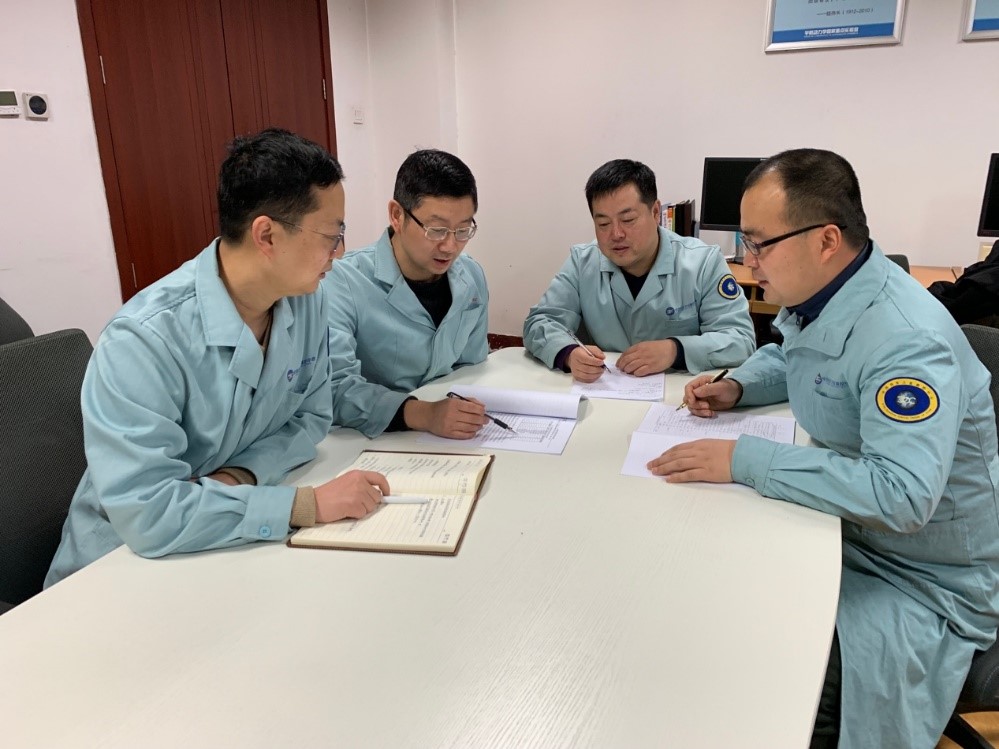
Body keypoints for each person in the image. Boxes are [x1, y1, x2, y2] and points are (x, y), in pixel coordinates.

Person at [648, 148, 999, 749]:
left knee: (782, 670)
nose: (748, 261)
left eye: (759, 243)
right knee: (716, 590)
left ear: (827, 240)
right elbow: (797, 355)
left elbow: (901, 495)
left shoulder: (907, 341)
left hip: (926, 577)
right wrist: (738, 387)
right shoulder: (831, 292)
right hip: (851, 537)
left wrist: (745, 460)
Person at [46, 128, 390, 587]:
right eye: (332, 235)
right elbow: (150, 514)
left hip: (229, 538)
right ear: (266, 235)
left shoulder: (306, 301)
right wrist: (303, 505)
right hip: (117, 567)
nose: (339, 253)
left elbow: (311, 418)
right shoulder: (144, 339)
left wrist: (237, 477)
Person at [523, 158, 755, 382]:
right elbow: (540, 322)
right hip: (604, 391)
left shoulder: (703, 262)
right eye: (603, 224)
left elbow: (740, 339)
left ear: (655, 212)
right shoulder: (582, 262)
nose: (616, 234)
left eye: (628, 220)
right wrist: (568, 353)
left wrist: (676, 350)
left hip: (679, 396)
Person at [324, 149, 489, 439]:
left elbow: (471, 368)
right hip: (373, 438)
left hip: (450, 438)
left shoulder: (471, 276)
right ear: (397, 215)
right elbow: (334, 388)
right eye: (436, 230)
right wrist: (425, 414)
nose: (450, 246)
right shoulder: (343, 282)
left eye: (463, 230)